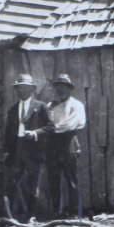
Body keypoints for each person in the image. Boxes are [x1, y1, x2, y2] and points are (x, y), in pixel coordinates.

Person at [37, 74, 86, 219]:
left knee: (71, 177)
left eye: (63, 87)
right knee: (53, 178)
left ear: (69, 88)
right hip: (52, 144)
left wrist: (51, 128)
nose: (60, 90)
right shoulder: (50, 105)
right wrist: (48, 129)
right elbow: (44, 123)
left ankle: (73, 212)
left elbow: (69, 124)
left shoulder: (76, 105)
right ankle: (55, 211)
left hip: (68, 141)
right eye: (58, 87)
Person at [3, 74, 50, 222]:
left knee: (32, 183)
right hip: (16, 150)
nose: (22, 91)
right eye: (19, 88)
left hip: (33, 150)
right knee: (11, 183)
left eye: (25, 88)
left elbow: (50, 128)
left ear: (31, 90)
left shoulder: (40, 106)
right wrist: (6, 152)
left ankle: (31, 215)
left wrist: (35, 133)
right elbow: (8, 133)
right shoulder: (12, 109)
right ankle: (12, 216)